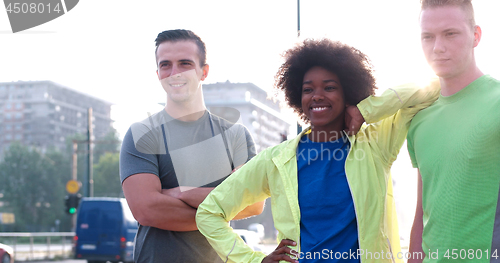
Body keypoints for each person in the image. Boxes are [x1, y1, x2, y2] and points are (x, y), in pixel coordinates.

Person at [196, 38, 440, 263]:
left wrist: (369, 110)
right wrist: (254, 260)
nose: (317, 96)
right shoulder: (276, 160)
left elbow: (433, 86)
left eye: (330, 87)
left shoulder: (375, 144)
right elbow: (208, 213)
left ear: (348, 93)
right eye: (308, 89)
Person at [119, 29, 263, 263]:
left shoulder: (236, 136)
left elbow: (253, 204)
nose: (174, 73)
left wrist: (180, 193)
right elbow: (147, 209)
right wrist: (220, 208)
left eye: (185, 63)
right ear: (158, 74)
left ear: (203, 71)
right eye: (165, 65)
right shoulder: (141, 134)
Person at [407, 1, 500, 262]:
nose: (438, 47)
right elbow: (423, 210)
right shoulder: (419, 120)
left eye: (450, 33)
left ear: (476, 36)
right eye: (428, 37)